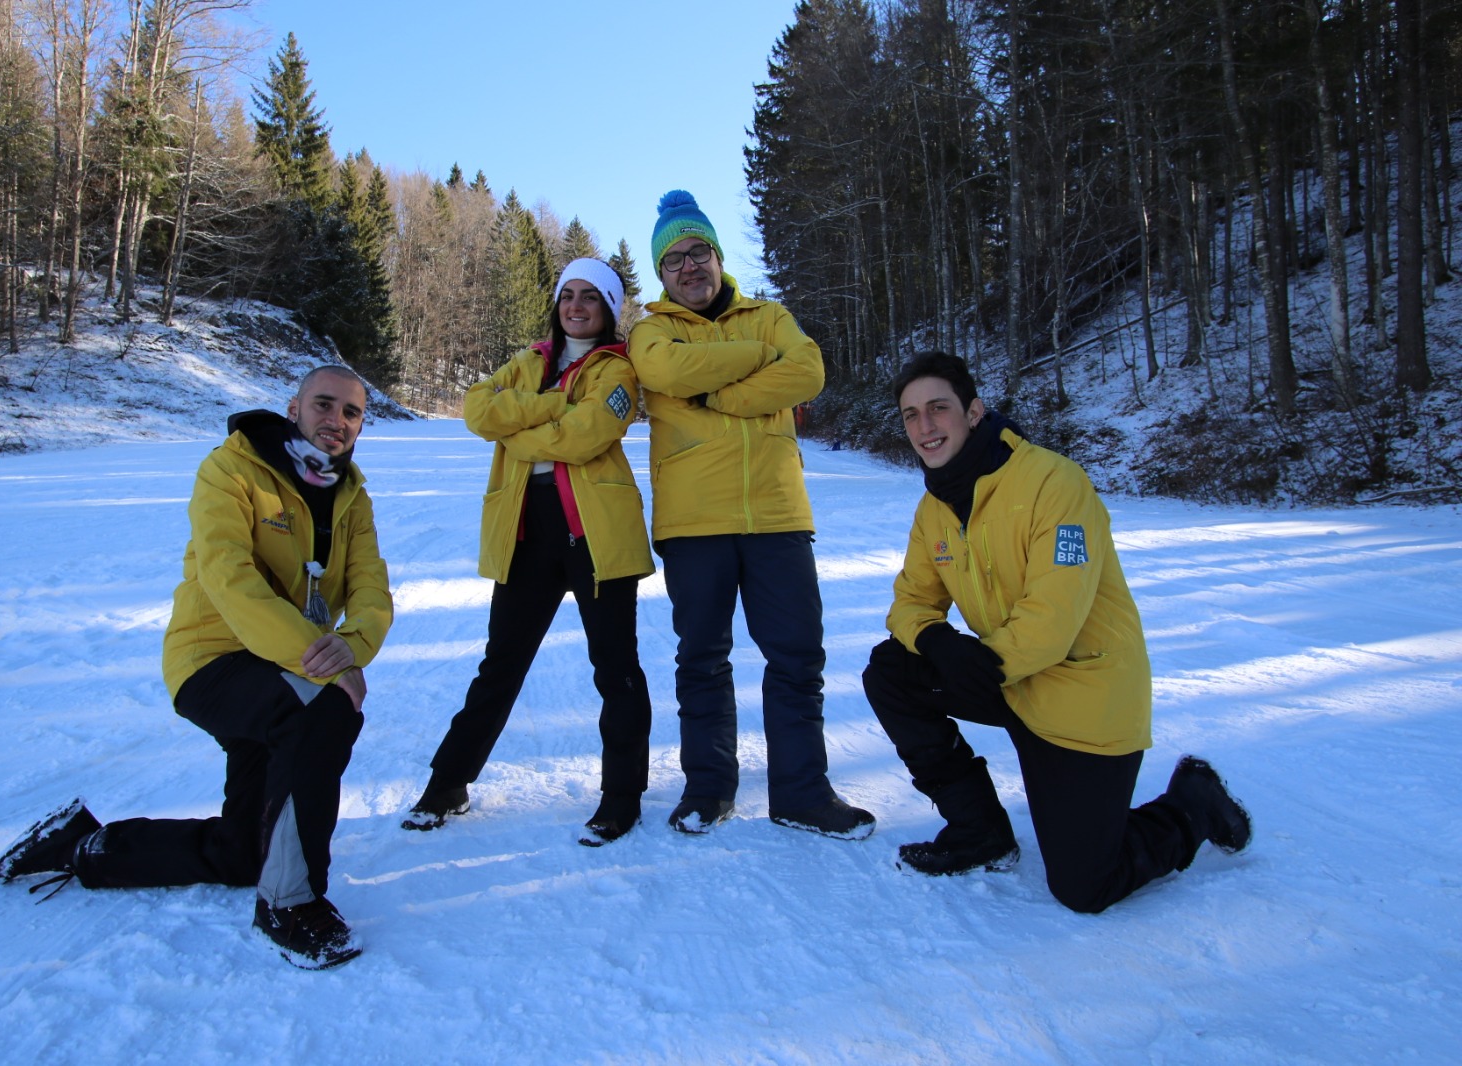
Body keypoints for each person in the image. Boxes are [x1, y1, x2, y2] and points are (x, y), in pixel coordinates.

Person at [0, 365, 392, 969]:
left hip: (283, 665)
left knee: (243, 851)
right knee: (322, 713)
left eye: (351, 412)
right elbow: (229, 579)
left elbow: (371, 587)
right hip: (213, 660)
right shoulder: (230, 470)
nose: (335, 422)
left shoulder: (350, 493)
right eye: (323, 406)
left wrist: (353, 643)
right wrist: (319, 661)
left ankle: (84, 846)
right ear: (293, 408)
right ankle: (289, 903)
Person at [863, 351, 1250, 913]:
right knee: (891, 670)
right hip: (1012, 683)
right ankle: (979, 832)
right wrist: (935, 640)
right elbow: (910, 603)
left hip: (1082, 699)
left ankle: (1193, 805)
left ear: (974, 413)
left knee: (1084, 886)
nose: (924, 427)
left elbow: (1051, 622)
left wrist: (978, 666)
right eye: (910, 415)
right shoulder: (935, 509)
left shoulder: (1054, 483)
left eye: (938, 409)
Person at [627, 190, 873, 839]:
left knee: (797, 657)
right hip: (693, 523)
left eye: (698, 250)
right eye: (674, 257)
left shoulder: (769, 313)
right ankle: (708, 789)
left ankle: (802, 793)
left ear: (717, 254)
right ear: (661, 272)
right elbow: (663, 368)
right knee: (702, 659)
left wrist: (710, 392)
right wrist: (754, 361)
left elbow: (810, 370)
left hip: (777, 516)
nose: (689, 265)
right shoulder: (653, 330)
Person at [401, 258, 654, 846]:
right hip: (525, 530)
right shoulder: (529, 360)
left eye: (592, 296)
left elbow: (587, 434)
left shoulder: (618, 369)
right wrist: (551, 404)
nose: (577, 305)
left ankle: (621, 798)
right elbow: (475, 410)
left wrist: (517, 424)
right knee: (500, 665)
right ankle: (448, 784)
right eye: (568, 294)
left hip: (594, 533)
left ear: (610, 308)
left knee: (615, 669)